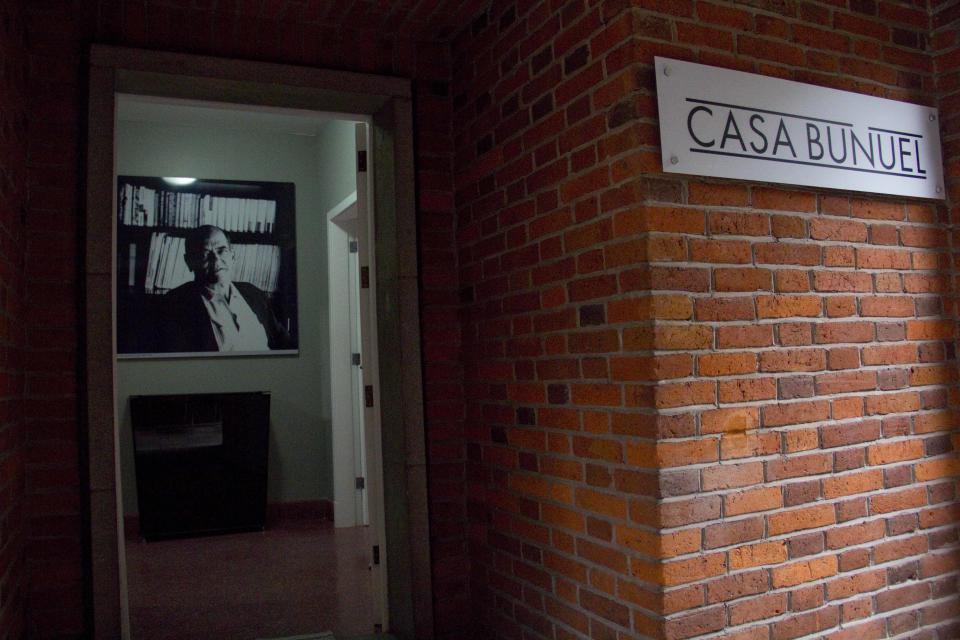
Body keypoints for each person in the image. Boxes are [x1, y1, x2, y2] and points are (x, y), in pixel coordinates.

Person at [157, 225, 292, 353]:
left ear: (232, 257)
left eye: (221, 250)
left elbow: (284, 344)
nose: (216, 259)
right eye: (205, 253)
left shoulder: (254, 294)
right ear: (189, 261)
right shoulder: (174, 306)